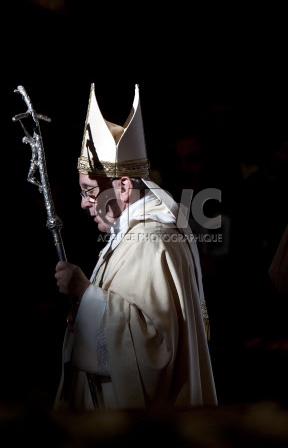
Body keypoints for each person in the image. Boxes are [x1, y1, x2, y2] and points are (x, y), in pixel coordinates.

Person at [52, 83, 218, 410]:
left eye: (89, 191)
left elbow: (154, 351)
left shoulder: (152, 242)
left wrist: (85, 294)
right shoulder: (131, 234)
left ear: (124, 187)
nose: (84, 204)